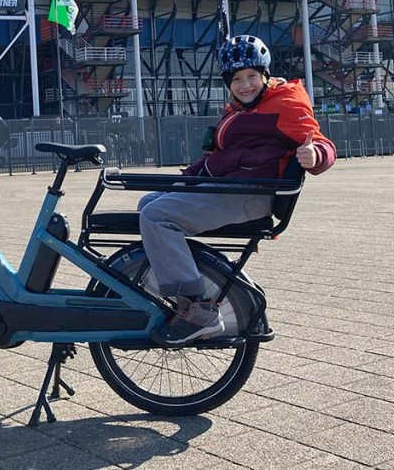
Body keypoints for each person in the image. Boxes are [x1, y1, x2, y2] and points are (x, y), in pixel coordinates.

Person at [139, 34, 336, 346]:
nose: (245, 85)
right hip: (228, 187)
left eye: (252, 77)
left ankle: (199, 311)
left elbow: (322, 143)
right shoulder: (239, 109)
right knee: (149, 201)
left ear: (265, 76)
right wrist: (184, 179)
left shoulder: (284, 104)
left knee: (156, 216)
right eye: (237, 79)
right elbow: (217, 157)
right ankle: (187, 280)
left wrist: (315, 156)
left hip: (250, 193)